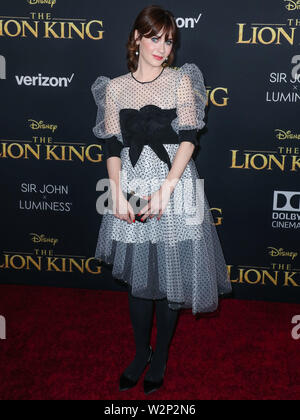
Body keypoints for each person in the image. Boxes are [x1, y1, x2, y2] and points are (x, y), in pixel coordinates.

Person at [91, 5, 232, 395]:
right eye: (154, 37)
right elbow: (113, 144)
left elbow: (189, 138)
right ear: (137, 37)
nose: (162, 47)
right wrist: (116, 191)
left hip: (175, 184)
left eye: (168, 40)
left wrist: (167, 190)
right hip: (133, 183)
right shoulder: (114, 87)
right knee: (140, 282)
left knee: (171, 279)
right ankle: (141, 354)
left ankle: (162, 359)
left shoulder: (180, 81)